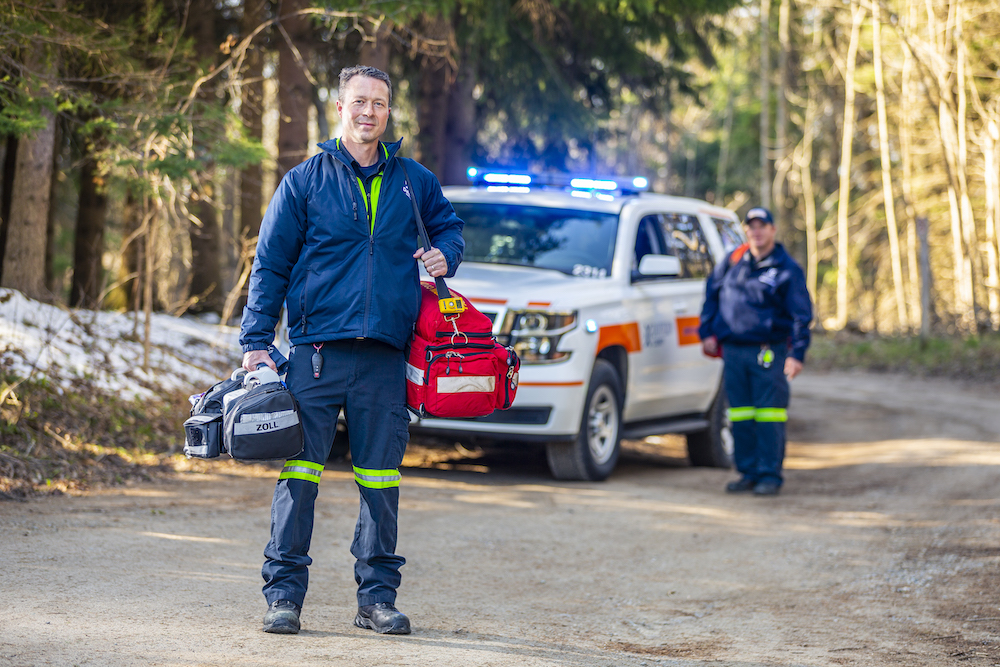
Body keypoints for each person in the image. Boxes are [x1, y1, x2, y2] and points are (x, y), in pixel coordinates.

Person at [239, 65, 465, 635]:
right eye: (360, 101)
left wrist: (446, 256)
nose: (370, 112)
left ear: (390, 113)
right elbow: (270, 265)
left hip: (386, 358)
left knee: (380, 481)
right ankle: (284, 597)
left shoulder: (413, 180)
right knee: (300, 475)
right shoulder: (305, 181)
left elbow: (450, 229)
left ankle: (377, 600)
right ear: (339, 107)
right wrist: (256, 344)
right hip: (315, 354)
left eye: (381, 104)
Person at [698, 206, 812, 497]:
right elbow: (711, 294)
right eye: (752, 226)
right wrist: (706, 331)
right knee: (740, 415)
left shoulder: (786, 268)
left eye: (762, 226)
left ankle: (769, 475)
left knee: (769, 415)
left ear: (773, 230)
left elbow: (801, 315)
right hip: (733, 351)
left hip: (768, 352)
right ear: (746, 231)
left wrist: (797, 354)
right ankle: (747, 472)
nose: (756, 231)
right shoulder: (733, 261)